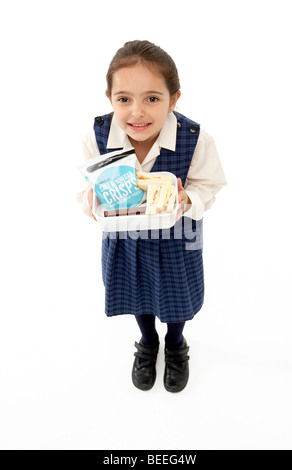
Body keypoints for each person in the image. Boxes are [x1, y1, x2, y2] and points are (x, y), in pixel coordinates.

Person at [77, 40, 227, 393]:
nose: (137, 113)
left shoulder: (194, 138)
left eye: (152, 98)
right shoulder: (98, 137)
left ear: (174, 100)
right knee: (135, 293)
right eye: (124, 99)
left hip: (177, 239)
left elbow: (211, 185)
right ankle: (148, 342)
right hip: (123, 238)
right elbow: (87, 193)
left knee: (178, 299)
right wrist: (95, 200)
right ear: (110, 98)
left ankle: (175, 344)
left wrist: (186, 196)